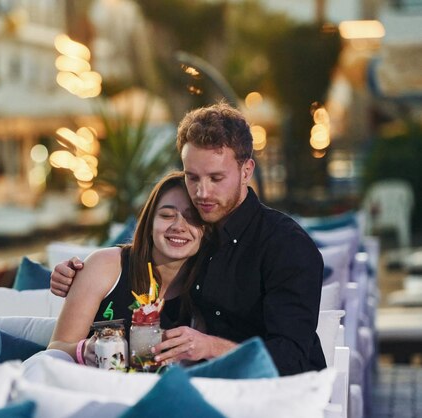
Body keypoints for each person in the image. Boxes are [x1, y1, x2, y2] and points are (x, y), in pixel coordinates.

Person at [50, 102, 326, 376]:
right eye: (192, 177)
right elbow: (147, 254)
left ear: (246, 171)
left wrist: (210, 347)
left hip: (277, 397)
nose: (202, 192)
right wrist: (78, 272)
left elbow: (292, 359)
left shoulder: (287, 245)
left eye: (216, 178)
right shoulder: (200, 234)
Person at [47, 171, 207, 365]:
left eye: (193, 218)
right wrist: (85, 350)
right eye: (166, 215)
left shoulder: (210, 286)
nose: (178, 226)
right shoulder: (106, 265)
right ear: (149, 223)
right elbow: (57, 346)